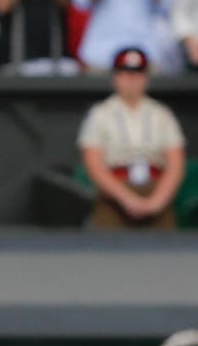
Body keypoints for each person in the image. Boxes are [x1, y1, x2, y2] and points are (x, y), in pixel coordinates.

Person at [77, 48, 187, 230]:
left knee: (165, 249)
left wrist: (157, 201)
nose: (131, 80)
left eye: (137, 74)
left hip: (154, 188)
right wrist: (126, 199)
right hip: (116, 192)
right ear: (115, 77)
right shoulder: (100, 114)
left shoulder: (161, 114)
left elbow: (176, 163)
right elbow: (94, 165)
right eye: (126, 74)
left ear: (146, 78)